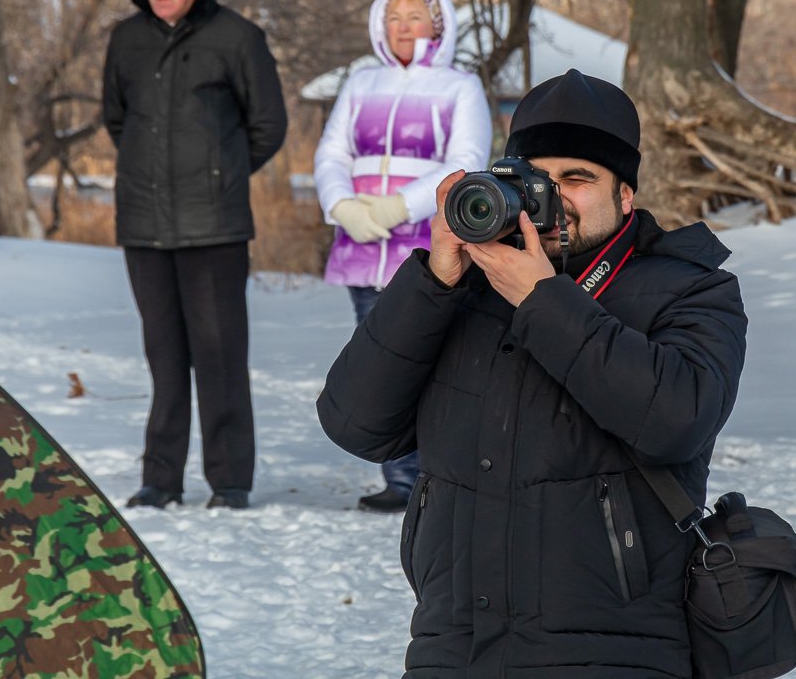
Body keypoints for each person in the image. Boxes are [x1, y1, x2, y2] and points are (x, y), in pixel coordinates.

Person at [317, 69, 749, 676]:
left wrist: (543, 299)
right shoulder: (461, 289)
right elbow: (354, 424)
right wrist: (432, 283)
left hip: (615, 652)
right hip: (454, 647)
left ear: (627, 195)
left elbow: (677, 419)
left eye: (577, 178)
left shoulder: (692, 289)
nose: (551, 196)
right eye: (533, 177)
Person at [102, 0, 287, 511]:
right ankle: (160, 478)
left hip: (216, 226)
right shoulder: (125, 40)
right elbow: (116, 120)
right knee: (163, 356)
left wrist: (221, 175)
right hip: (145, 226)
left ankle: (230, 480)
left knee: (220, 354)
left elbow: (269, 126)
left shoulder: (239, 38)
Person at [313, 0, 491, 513]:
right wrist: (342, 205)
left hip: (425, 244)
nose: (404, 27)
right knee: (377, 359)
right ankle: (399, 480)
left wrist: (398, 208)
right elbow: (332, 153)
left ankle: (436, 476)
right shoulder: (361, 84)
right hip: (363, 248)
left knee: (432, 358)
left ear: (437, 25)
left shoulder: (460, 87)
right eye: (394, 18)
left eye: (415, 17)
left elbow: (466, 162)